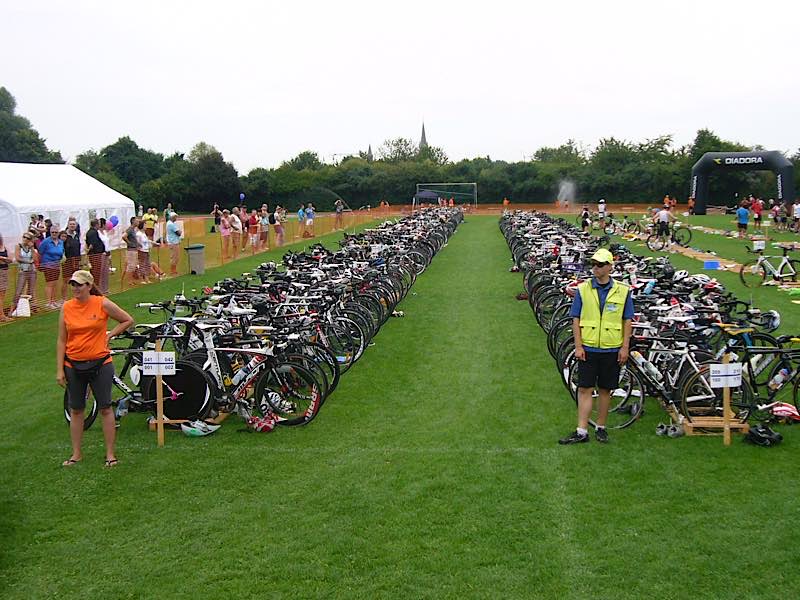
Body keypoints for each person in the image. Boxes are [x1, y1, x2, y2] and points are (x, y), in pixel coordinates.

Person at [56, 270, 133, 467]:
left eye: (79, 285)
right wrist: (59, 369)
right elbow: (62, 339)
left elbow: (127, 320)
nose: (75, 288)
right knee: (76, 410)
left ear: (89, 286)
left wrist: (110, 335)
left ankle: (110, 454)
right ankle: (76, 454)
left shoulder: (101, 303)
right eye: (73, 284)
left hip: (100, 363)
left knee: (105, 408)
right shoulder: (66, 307)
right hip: (73, 364)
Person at [559, 248, 633, 444]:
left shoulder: (623, 291)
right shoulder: (583, 289)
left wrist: (625, 347)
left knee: (606, 390)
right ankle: (581, 430)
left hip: (611, 348)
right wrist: (578, 346)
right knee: (584, 388)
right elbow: (575, 319)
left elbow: (627, 320)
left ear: (609, 267)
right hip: (589, 347)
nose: (595, 268)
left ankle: (600, 427)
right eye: (594, 264)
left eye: (600, 265)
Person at [38, 225, 65, 308]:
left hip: (56, 265)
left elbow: (62, 252)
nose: (54, 234)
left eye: (56, 232)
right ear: (50, 233)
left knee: (55, 283)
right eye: (52, 232)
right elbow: (40, 252)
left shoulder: (61, 242)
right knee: (50, 283)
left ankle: (53, 301)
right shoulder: (46, 242)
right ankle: (49, 302)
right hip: (48, 264)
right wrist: (40, 264)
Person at [12, 231, 38, 314]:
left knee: (31, 290)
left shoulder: (31, 248)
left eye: (28, 238)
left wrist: (32, 248)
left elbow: (35, 259)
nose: (25, 239)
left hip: (32, 271)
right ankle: (13, 309)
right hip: (23, 271)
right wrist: (29, 261)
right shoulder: (18, 246)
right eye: (24, 237)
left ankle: (28, 308)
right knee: (19, 290)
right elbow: (17, 258)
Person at [61, 223, 81, 302]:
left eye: (74, 224)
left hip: (76, 260)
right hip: (67, 260)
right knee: (66, 280)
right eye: (71, 224)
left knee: (76, 279)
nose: (72, 226)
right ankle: (64, 298)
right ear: (68, 225)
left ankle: (76, 296)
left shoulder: (76, 235)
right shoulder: (65, 236)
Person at [86, 219, 105, 291]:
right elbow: (92, 245)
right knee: (95, 272)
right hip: (95, 255)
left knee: (96, 272)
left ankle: (96, 287)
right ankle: (95, 288)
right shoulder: (92, 233)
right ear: (97, 224)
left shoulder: (93, 232)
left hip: (96, 254)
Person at [122, 216, 140, 286]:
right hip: (131, 250)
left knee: (132, 265)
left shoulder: (133, 230)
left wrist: (137, 244)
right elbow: (124, 236)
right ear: (133, 222)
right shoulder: (130, 229)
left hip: (134, 249)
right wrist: (129, 242)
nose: (138, 222)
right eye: (137, 221)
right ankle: (129, 281)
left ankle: (131, 280)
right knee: (131, 266)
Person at [0, 232, 11, 321]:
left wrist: (3, 259)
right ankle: (2, 315)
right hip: (1, 272)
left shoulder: (5, 248)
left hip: (5, 271)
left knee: (2, 294)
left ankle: (2, 314)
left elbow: (10, 259)